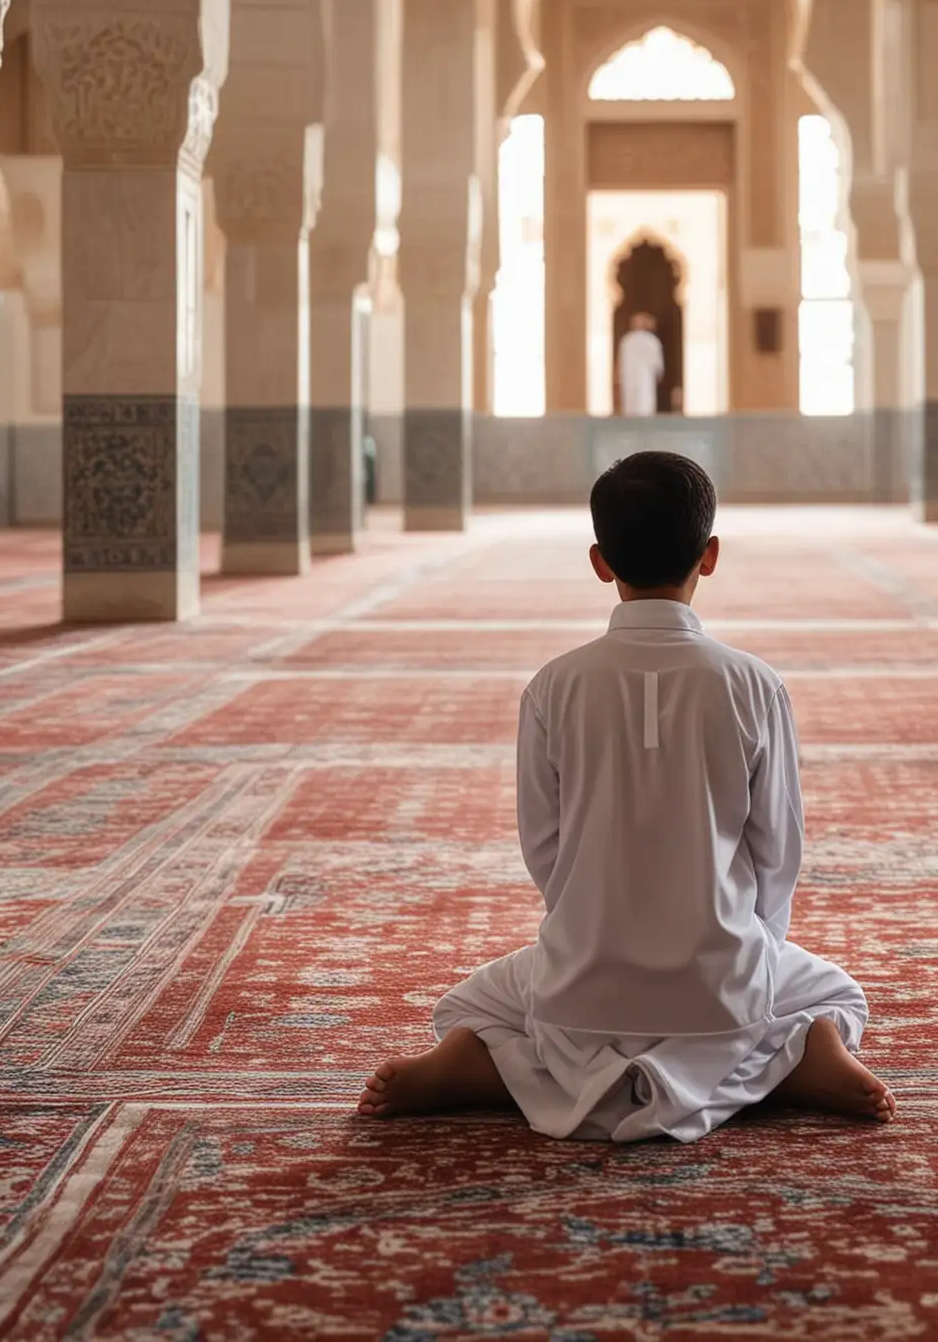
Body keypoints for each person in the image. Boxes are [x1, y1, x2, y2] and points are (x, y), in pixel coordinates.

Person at [358, 451, 893, 1141]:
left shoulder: (555, 685)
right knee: (834, 994)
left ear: (599, 560)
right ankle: (795, 1060)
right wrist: (752, 952)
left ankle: (485, 1065)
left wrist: (589, 925)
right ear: (711, 555)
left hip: (577, 990)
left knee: (470, 1005)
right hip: (723, 994)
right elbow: (777, 849)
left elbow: (542, 844)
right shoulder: (754, 684)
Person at [617, 312, 665, 417]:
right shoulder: (651, 341)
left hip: (632, 377)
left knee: (634, 403)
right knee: (644, 402)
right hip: (644, 377)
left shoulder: (627, 340)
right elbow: (657, 363)